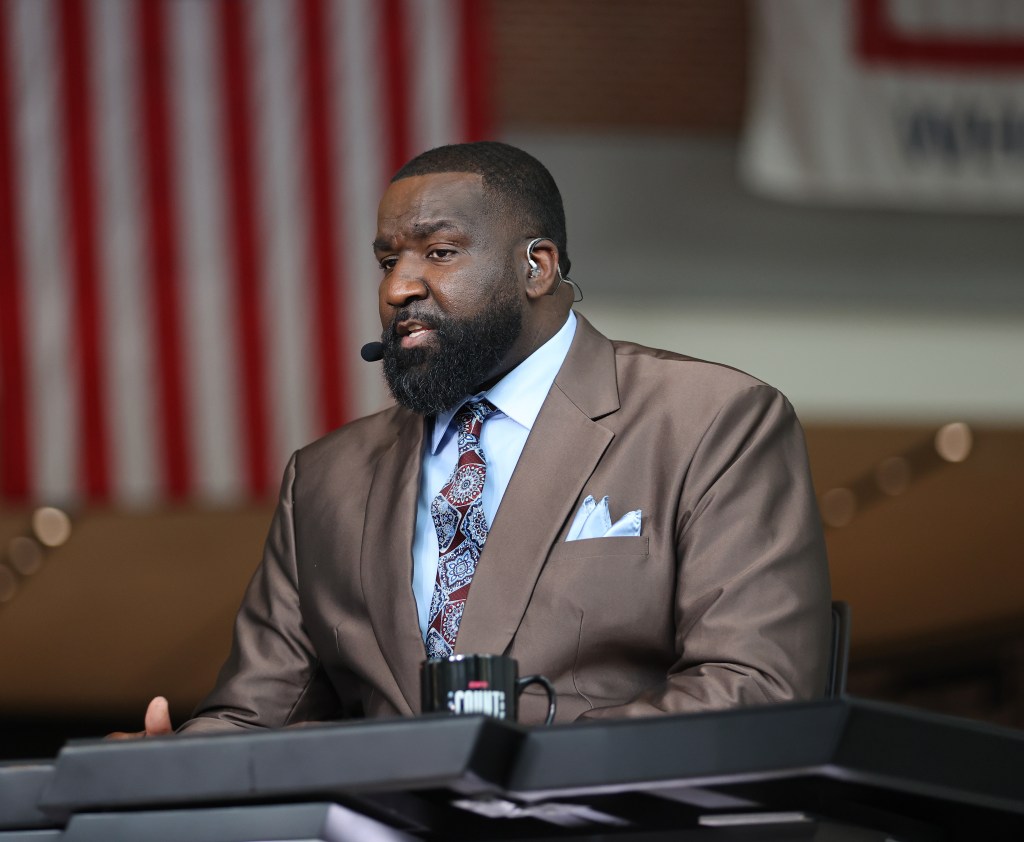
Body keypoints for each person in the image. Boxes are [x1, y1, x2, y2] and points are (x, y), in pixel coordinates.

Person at [111, 141, 830, 738]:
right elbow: (258, 716)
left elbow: (759, 691)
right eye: (389, 260)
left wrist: (507, 764)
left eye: (440, 252)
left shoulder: (711, 420)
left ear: (536, 267)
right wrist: (166, 762)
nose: (399, 287)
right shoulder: (325, 479)